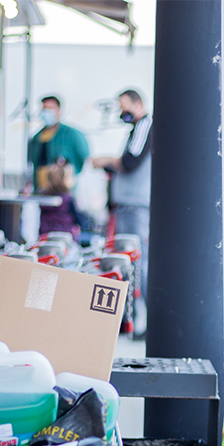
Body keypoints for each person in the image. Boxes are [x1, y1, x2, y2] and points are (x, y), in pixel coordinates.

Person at [91, 89, 152, 337]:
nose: (121, 113)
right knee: (128, 263)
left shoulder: (145, 125)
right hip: (127, 206)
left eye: (124, 107)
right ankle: (129, 321)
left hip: (136, 207)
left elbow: (130, 162)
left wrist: (105, 159)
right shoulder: (135, 129)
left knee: (139, 264)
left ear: (138, 105)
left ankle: (145, 322)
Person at [27, 95, 89, 192]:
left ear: (59, 111)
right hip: (41, 192)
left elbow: (85, 162)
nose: (46, 113)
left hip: (65, 193)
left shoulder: (72, 135)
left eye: (50, 109)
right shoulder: (36, 138)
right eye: (44, 109)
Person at [37, 161, 81, 239]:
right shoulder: (68, 198)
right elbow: (77, 218)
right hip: (64, 236)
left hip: (45, 236)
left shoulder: (43, 197)